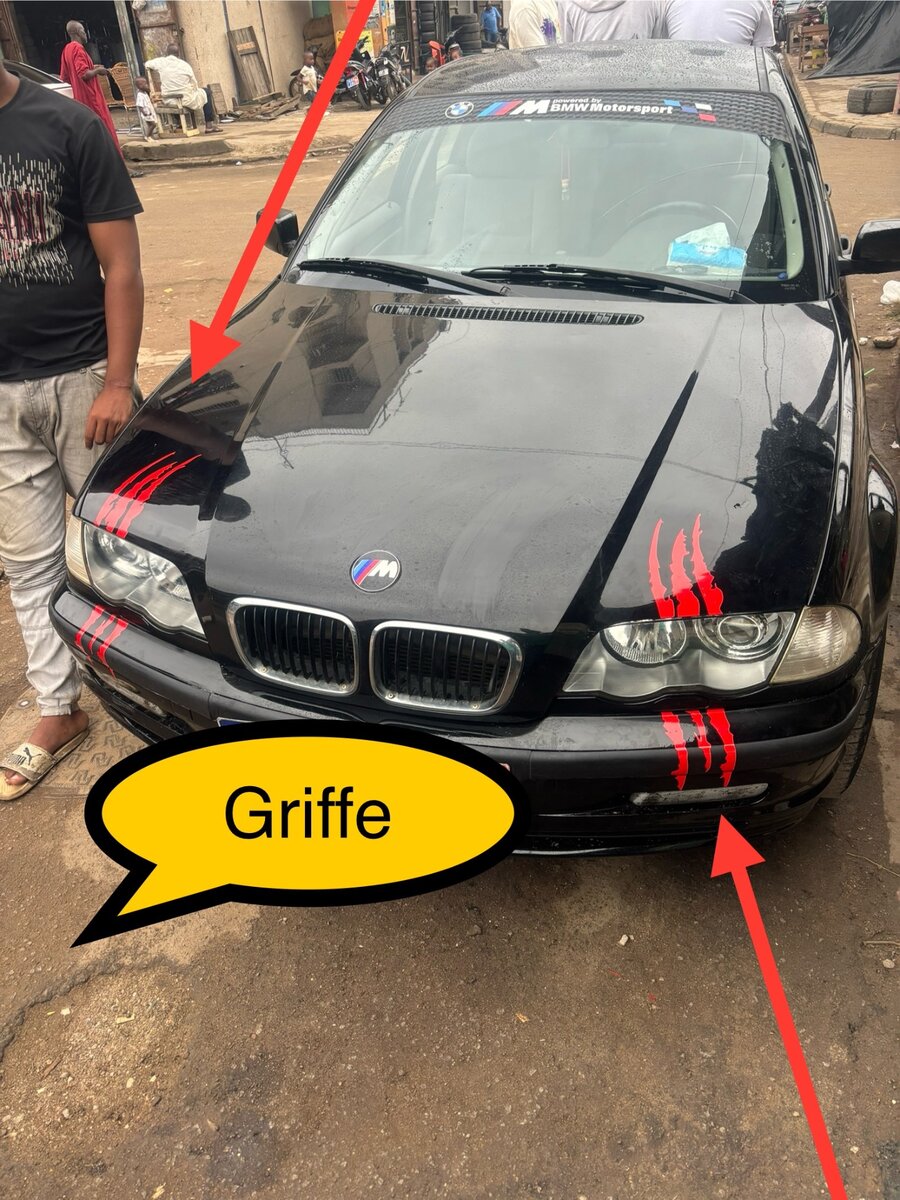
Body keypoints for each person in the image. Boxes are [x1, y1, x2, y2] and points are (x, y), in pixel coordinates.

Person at [0, 60, 143, 800]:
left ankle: (158, 693)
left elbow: (122, 265)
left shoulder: (69, 127)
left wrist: (117, 383)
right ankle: (60, 709)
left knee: (127, 548)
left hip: (83, 377)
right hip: (2, 399)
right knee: (29, 563)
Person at [58, 20, 121, 153]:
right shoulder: (77, 49)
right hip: (91, 97)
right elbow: (84, 74)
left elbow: (65, 76)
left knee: (91, 133)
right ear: (77, 32)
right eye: (83, 30)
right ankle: (113, 159)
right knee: (104, 129)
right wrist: (98, 71)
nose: (85, 33)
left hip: (80, 99)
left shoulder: (67, 50)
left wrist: (93, 67)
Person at [144, 42, 221, 133]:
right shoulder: (185, 65)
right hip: (185, 100)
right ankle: (209, 126)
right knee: (207, 92)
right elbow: (194, 84)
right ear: (178, 53)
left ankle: (180, 124)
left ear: (167, 53)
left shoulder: (161, 62)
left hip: (168, 100)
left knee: (175, 96)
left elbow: (147, 64)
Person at [664, 0, 776, 44]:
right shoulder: (759, 2)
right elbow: (764, 56)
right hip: (736, 84)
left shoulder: (670, 2)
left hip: (678, 84)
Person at [557, 0, 666, 41]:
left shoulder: (566, 3)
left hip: (584, 82)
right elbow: (656, 48)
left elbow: (569, 50)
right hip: (639, 83)